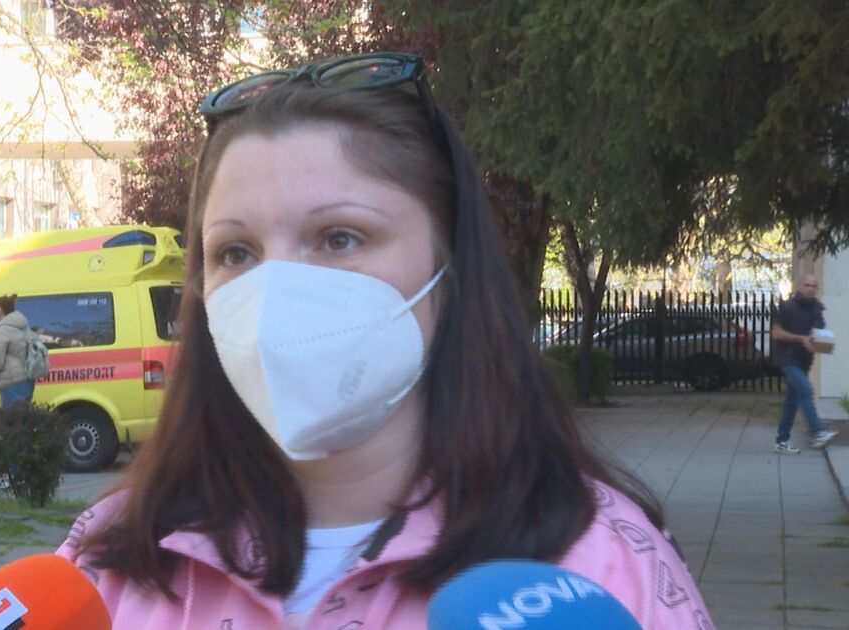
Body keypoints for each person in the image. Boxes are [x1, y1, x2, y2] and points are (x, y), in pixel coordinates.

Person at [57, 52, 712, 629]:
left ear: (449, 268)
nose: (275, 291)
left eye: (339, 238)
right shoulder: (109, 560)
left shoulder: (598, 563)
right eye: (236, 252)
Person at [772, 274, 839, 454]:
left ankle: (782, 441)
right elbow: (777, 333)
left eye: (813, 286)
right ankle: (816, 432)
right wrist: (801, 339)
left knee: (792, 402)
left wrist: (818, 342)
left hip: (804, 360)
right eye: (807, 285)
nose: (810, 288)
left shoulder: (817, 308)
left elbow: (818, 333)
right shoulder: (787, 307)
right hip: (787, 358)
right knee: (806, 389)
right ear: (799, 286)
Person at [0, 294, 34, 407]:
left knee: (11, 416)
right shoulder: (23, 325)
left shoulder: (3, 330)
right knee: (24, 415)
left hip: (11, 381)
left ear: (0, 310)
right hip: (27, 379)